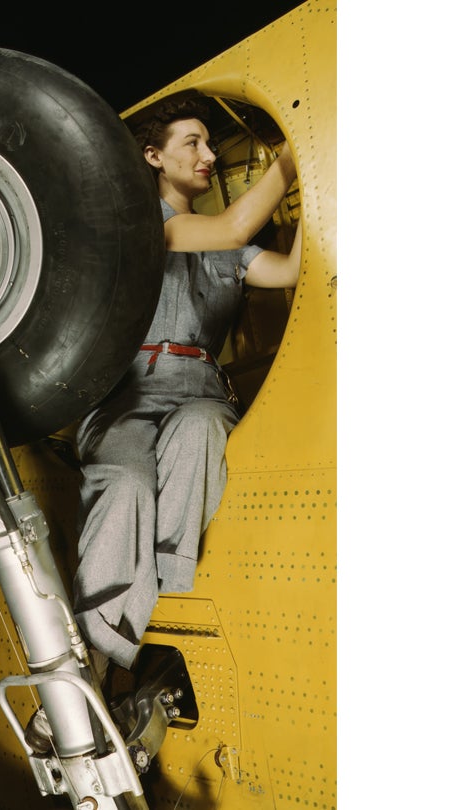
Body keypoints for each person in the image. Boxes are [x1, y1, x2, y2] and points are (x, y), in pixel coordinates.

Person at [72, 97, 303, 678]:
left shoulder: (230, 250)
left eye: (209, 142)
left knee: (201, 429)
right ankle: (92, 665)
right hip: (127, 395)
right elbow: (232, 225)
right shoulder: (140, 226)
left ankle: (167, 610)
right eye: (191, 143)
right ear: (153, 156)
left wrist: (326, 192)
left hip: (199, 391)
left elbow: (289, 270)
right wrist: (292, 158)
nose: (208, 155)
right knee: (125, 482)